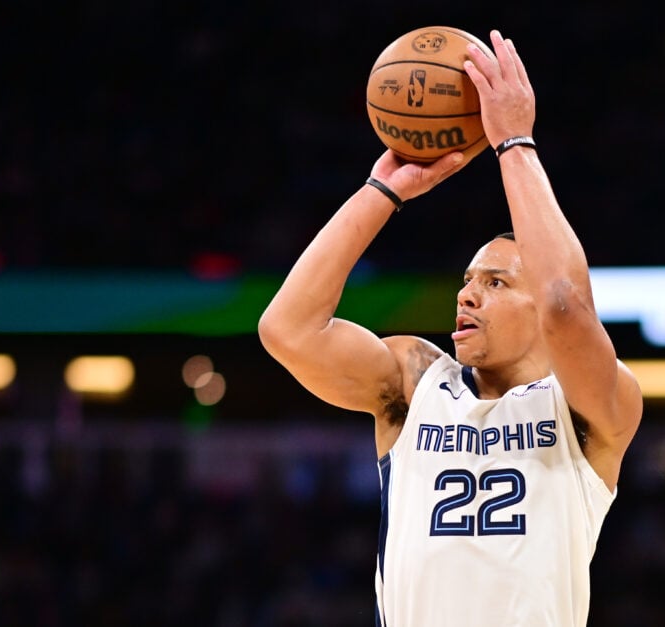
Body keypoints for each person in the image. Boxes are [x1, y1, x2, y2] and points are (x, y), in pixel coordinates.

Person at [258, 29, 643, 627]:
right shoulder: (416, 383)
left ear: (535, 308)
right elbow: (287, 329)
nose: (467, 293)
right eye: (467, 280)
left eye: (495, 282)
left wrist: (514, 142)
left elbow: (565, 303)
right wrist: (382, 191)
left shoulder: (586, 407)